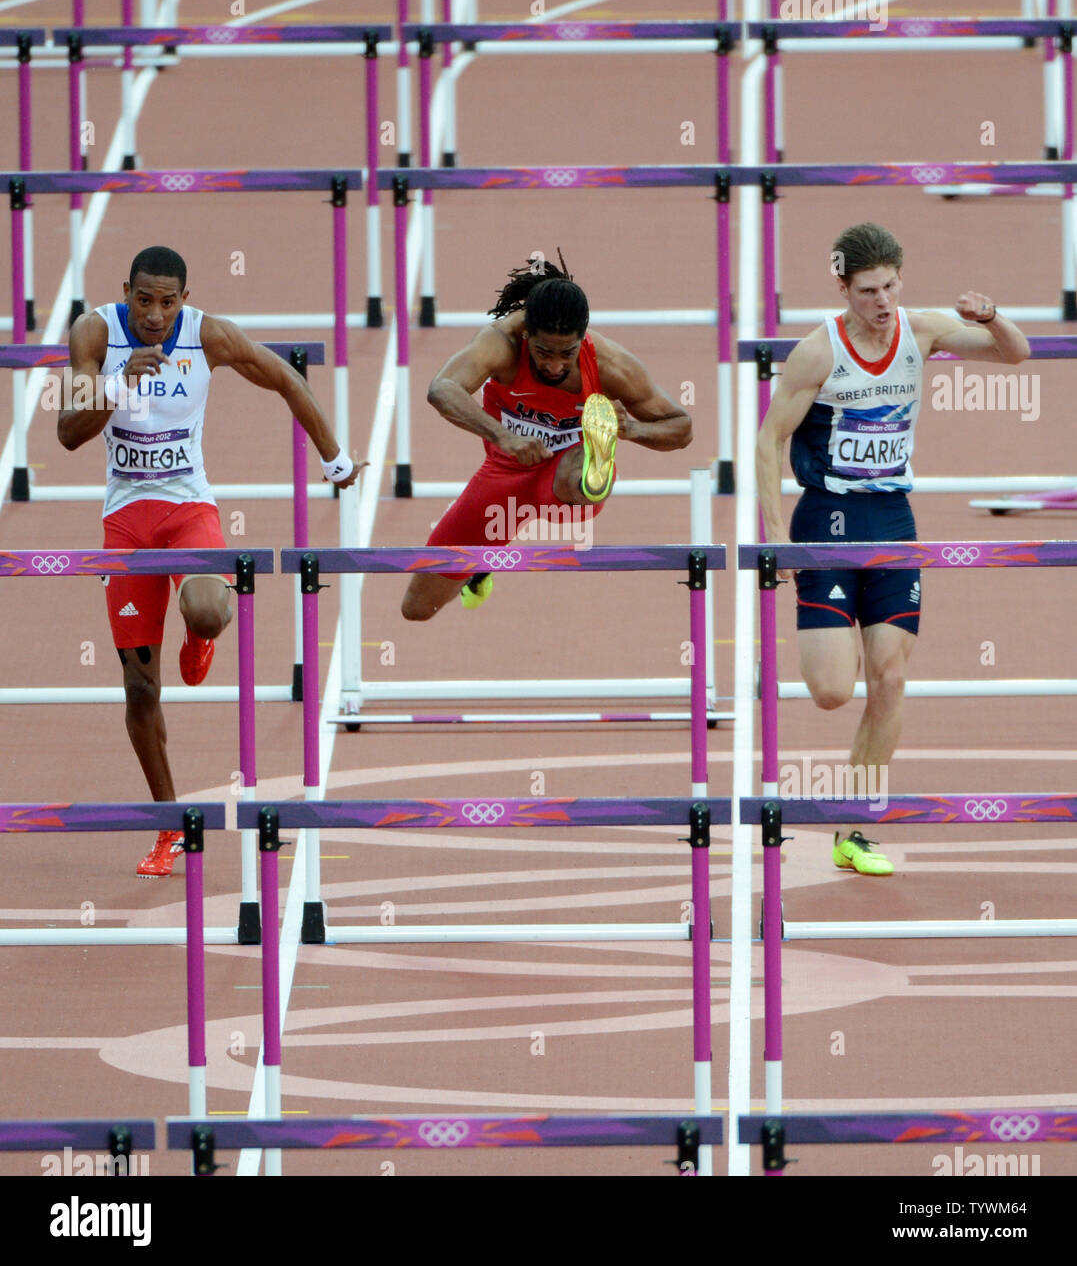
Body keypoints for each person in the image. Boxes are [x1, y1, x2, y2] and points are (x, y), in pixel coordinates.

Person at [58, 246, 359, 877]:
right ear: (126, 292)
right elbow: (68, 431)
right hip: (126, 522)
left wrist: (334, 458)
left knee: (208, 612)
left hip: (189, 508)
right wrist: (120, 384)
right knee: (141, 687)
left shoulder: (208, 336)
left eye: (168, 302)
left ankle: (201, 634)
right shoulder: (93, 331)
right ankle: (169, 826)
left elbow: (284, 378)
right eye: (144, 300)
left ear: (184, 300)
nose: (155, 314)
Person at [756, 222, 1030, 875]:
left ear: (899, 281)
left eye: (888, 287)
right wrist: (772, 543)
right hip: (825, 520)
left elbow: (1013, 355)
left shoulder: (923, 329)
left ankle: (852, 830)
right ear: (843, 289)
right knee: (829, 690)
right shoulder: (816, 354)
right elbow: (768, 441)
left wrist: (990, 317)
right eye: (866, 291)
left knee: (891, 677)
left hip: (891, 518)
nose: (880, 301)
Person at [401, 252, 693, 620]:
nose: (554, 364)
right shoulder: (500, 342)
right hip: (504, 475)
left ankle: (594, 464)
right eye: (542, 352)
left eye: (567, 353)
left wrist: (631, 428)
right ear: (526, 335)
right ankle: (478, 569)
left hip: (564, 479)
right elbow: (442, 389)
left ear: (582, 338)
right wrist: (502, 436)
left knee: (576, 479)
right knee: (417, 608)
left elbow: (681, 427)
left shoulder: (609, 365)